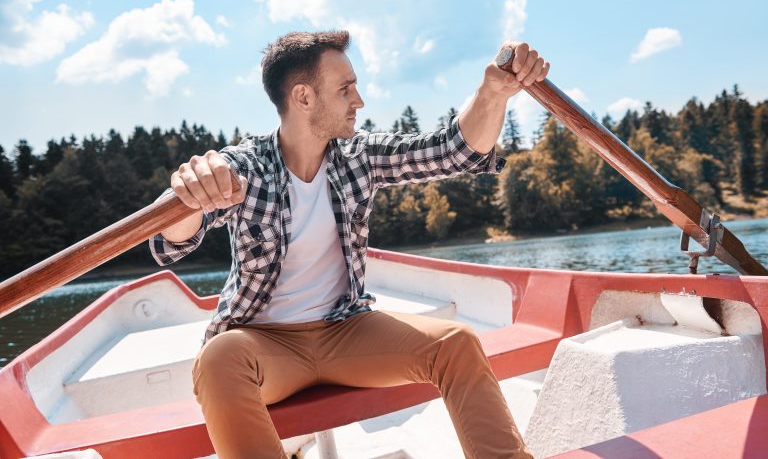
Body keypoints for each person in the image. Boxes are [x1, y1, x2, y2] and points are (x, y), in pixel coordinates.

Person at [150, 30, 549, 459]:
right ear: (303, 98)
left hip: (346, 332)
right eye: (345, 89)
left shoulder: (359, 156)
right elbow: (171, 240)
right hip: (265, 345)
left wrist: (492, 93)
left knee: (456, 344)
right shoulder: (245, 168)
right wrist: (188, 194)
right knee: (218, 358)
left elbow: (455, 151)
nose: (359, 100)